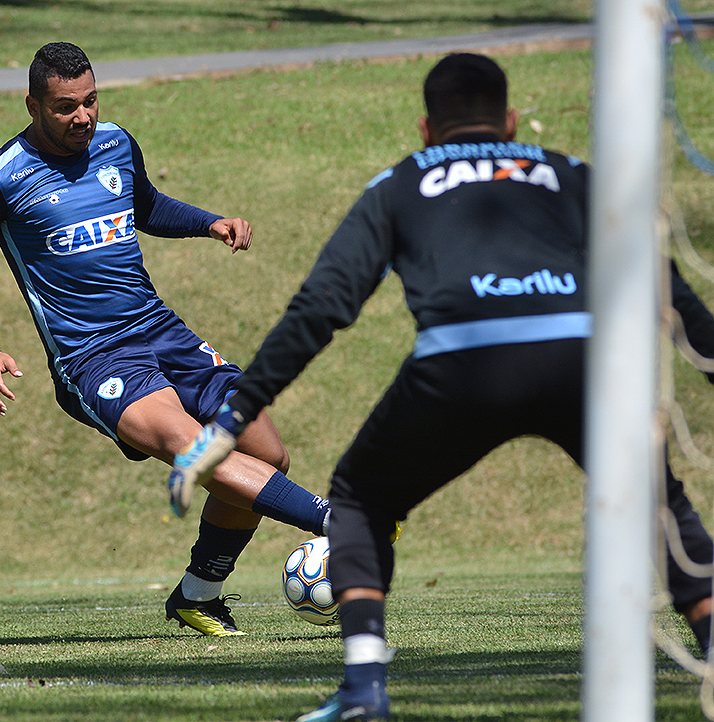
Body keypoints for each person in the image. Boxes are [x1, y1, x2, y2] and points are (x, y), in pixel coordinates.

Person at [170, 52, 714, 721]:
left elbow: (321, 309)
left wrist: (234, 418)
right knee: (660, 506)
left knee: (360, 499)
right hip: (578, 360)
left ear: (426, 129)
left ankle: (364, 688)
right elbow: (663, 284)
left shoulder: (401, 182)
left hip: (464, 363)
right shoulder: (570, 173)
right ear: (511, 121)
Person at [0, 41, 330, 638]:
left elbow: (145, 206)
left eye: (90, 101)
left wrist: (208, 222)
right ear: (33, 106)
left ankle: (198, 595)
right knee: (194, 446)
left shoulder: (115, 143)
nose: (83, 117)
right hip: (92, 357)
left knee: (267, 452)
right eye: (65, 107)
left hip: (161, 330)